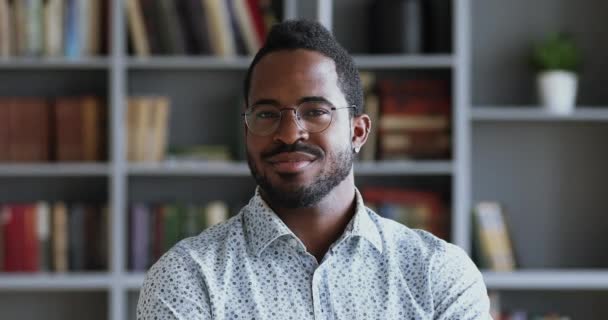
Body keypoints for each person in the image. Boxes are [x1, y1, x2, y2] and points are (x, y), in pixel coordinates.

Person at [137, 19, 491, 320]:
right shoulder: (187, 276)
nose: (289, 133)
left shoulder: (437, 273)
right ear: (247, 131)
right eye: (266, 114)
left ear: (358, 131)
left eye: (315, 111)